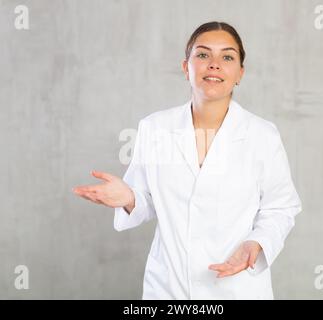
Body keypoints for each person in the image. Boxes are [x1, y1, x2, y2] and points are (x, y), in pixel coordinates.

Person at [73, 21, 302, 299]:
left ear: (240, 73)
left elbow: (281, 207)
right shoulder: (154, 128)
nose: (214, 64)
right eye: (203, 54)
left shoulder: (262, 135)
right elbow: (145, 201)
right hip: (169, 287)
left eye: (227, 57)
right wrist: (130, 198)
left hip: (238, 288)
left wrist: (257, 243)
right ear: (186, 67)